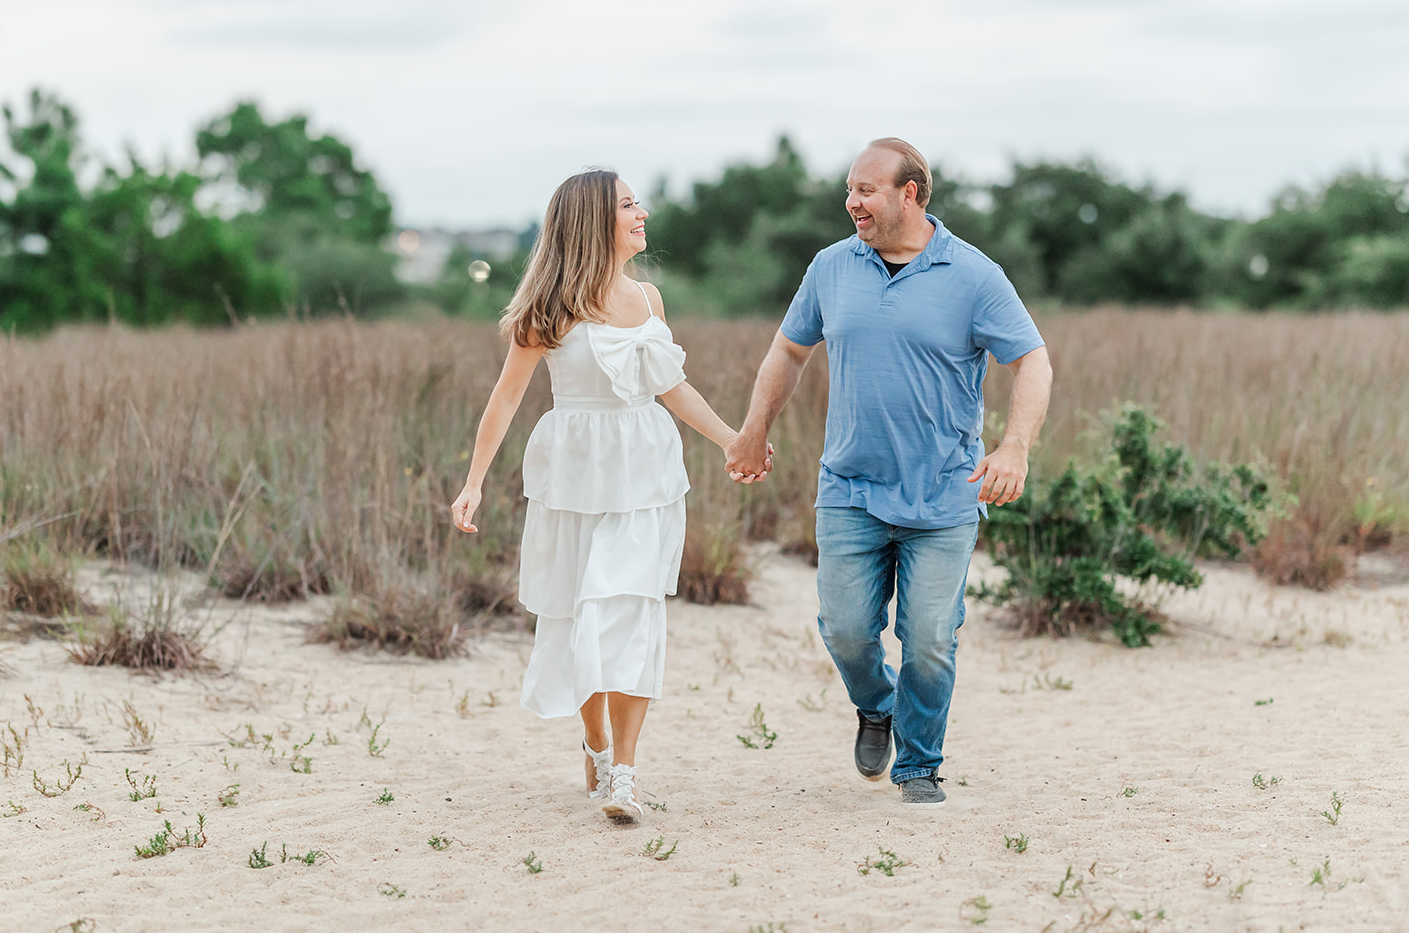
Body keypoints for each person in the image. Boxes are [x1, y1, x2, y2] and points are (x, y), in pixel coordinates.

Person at [724, 137, 1052, 804]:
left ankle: (918, 764)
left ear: (912, 193)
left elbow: (1033, 361)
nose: (852, 201)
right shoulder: (831, 267)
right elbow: (788, 353)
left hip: (945, 491)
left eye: (867, 189)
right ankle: (878, 705)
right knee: (845, 629)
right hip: (850, 487)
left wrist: (1015, 446)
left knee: (929, 638)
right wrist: (754, 428)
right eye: (850, 188)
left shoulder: (974, 275)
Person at [450, 168, 765, 825]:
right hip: (573, 477)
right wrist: (474, 481)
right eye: (627, 205)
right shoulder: (550, 307)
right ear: (596, 220)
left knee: (631, 614)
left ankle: (623, 773)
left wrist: (734, 440)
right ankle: (592, 741)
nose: (641, 212)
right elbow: (506, 397)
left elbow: (672, 388)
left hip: (645, 474)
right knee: (578, 614)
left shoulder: (649, 299)